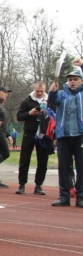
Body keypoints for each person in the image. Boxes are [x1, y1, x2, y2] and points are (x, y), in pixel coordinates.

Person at [47, 69, 83, 207]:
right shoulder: (62, 94)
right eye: (70, 79)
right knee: (63, 167)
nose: (72, 82)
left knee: (81, 167)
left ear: (81, 81)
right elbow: (52, 101)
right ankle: (64, 196)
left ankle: (81, 196)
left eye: (75, 79)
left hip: (80, 136)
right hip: (63, 136)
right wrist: (52, 91)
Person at [15, 81, 49, 195]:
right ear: (34, 89)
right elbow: (19, 116)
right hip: (29, 132)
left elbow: (55, 115)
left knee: (43, 160)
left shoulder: (49, 101)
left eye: (41, 91)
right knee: (24, 159)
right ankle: (22, 185)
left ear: (45, 90)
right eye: (37, 91)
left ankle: (38, 185)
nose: (39, 93)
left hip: (43, 134)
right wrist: (30, 113)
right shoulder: (27, 101)